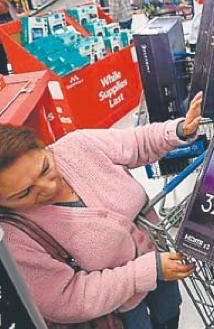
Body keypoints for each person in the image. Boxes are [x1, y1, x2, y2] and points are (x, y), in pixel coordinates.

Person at [0, 91, 203, 329]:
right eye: (24, 193)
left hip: (162, 258)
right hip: (118, 309)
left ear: (44, 148)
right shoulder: (15, 236)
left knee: (170, 310)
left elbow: (136, 142)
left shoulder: (76, 146)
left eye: (45, 168)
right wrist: (147, 271)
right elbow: (67, 298)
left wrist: (178, 130)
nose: (48, 187)